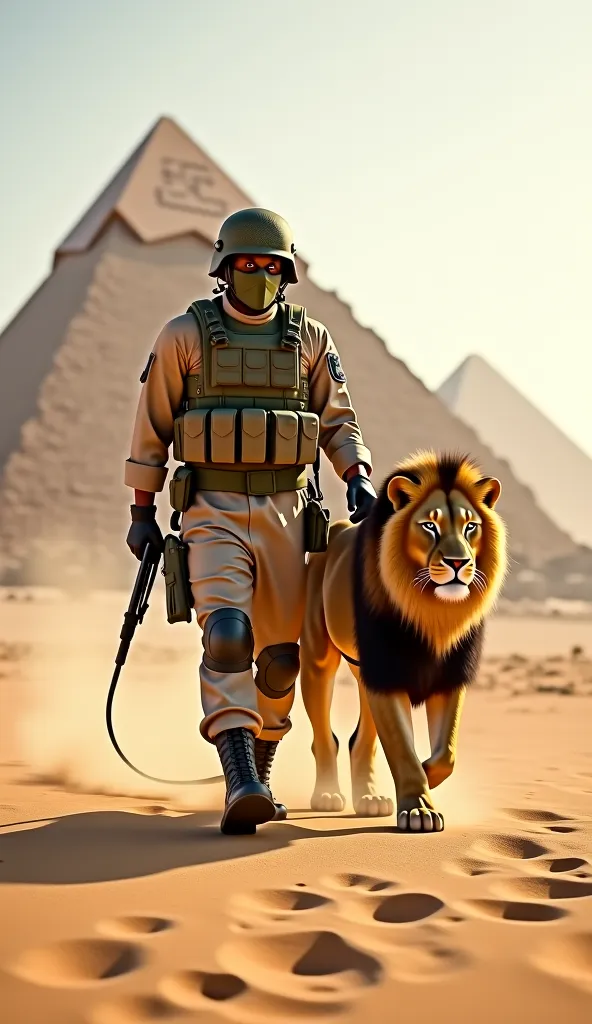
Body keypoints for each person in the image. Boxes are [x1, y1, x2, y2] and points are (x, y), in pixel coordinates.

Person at [124, 207, 376, 834]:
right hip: (211, 509)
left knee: (282, 659)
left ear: (286, 274)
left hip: (289, 512)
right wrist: (141, 510)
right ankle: (241, 781)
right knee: (228, 634)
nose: (258, 275)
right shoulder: (184, 335)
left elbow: (339, 421)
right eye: (246, 265)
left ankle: (261, 768)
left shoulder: (311, 339)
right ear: (223, 269)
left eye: (270, 267)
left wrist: (358, 477)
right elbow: (152, 427)